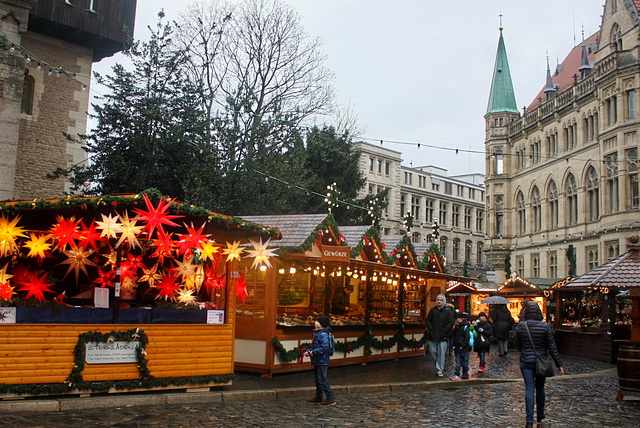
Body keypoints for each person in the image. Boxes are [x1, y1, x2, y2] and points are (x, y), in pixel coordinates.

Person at [515, 301, 564, 427]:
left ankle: (529, 420)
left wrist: (525, 351)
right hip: (541, 361)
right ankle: (540, 415)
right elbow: (552, 347)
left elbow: (517, 344)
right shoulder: (545, 326)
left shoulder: (521, 326)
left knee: (529, 388)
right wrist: (559, 365)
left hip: (526, 361)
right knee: (540, 387)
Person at [305, 316, 336, 406]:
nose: (315, 322)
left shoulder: (323, 334)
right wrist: (309, 351)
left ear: (322, 324)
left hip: (322, 360)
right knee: (317, 379)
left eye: (317, 321)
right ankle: (319, 396)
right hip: (317, 359)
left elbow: (324, 348)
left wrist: (313, 353)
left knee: (322, 379)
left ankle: (330, 398)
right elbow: (316, 346)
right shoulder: (318, 333)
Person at [426, 293, 454, 377]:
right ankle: (438, 365)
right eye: (438, 300)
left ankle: (439, 369)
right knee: (433, 351)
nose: (439, 301)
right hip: (433, 335)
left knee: (441, 354)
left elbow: (451, 322)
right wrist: (430, 329)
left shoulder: (447, 311)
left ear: (444, 301)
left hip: (442, 336)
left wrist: (444, 330)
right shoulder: (433, 310)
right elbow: (428, 320)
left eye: (441, 300)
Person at [450, 311, 473, 380]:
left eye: (459, 318)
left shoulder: (465, 327)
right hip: (457, 346)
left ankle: (465, 373)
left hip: (464, 347)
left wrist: (463, 345)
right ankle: (457, 373)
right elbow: (453, 336)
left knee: (464, 361)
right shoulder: (456, 327)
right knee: (458, 361)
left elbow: (467, 337)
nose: (457, 320)